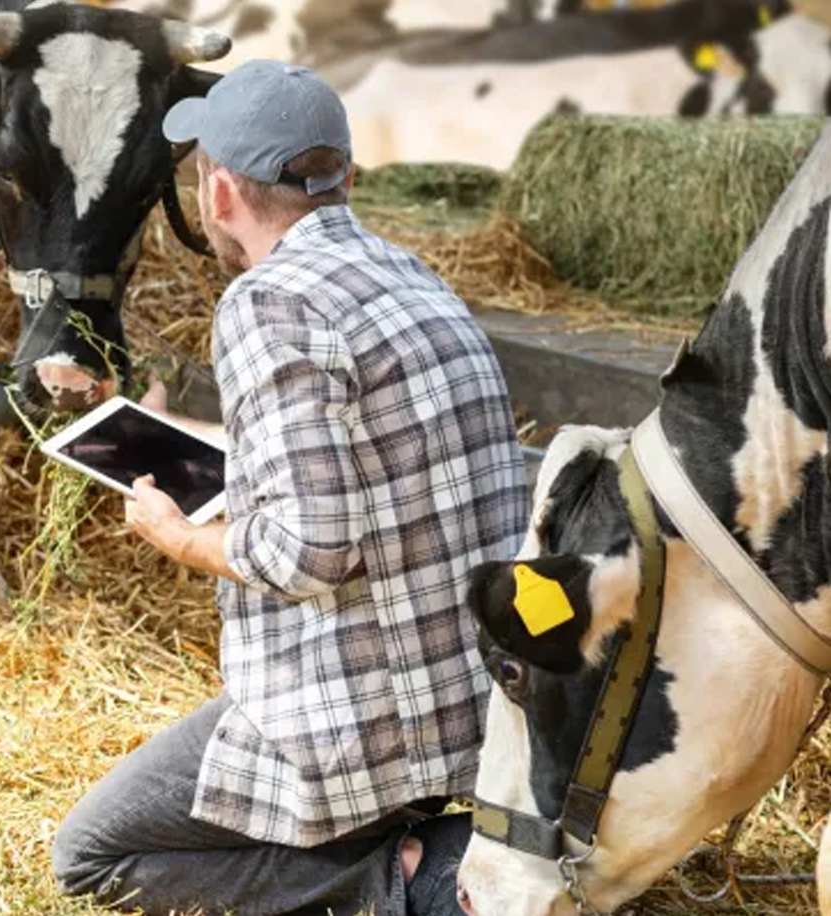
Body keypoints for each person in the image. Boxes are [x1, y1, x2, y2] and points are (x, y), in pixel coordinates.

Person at [51, 59, 529, 916]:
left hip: (366, 720)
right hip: (475, 702)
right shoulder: (411, 276)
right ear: (342, 175)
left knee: (91, 855)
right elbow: (346, 462)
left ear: (220, 192)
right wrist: (162, 433)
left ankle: (411, 883)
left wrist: (176, 535)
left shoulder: (266, 303)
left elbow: (308, 551)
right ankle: (488, 846)